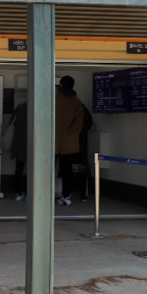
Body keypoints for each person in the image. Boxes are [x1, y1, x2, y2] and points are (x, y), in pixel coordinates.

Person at [56, 75, 84, 206]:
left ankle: (42, 198)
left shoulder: (53, 97)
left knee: (46, 170)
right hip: (69, 143)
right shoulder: (76, 101)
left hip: (51, 142)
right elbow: (80, 122)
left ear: (60, 85)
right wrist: (72, 135)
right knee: (67, 172)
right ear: (73, 86)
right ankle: (66, 197)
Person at [9, 101, 28, 201]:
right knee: (33, 170)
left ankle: (18, 193)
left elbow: (11, 122)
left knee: (19, 168)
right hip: (33, 143)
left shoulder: (20, 106)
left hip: (19, 142)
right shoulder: (40, 107)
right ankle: (31, 192)